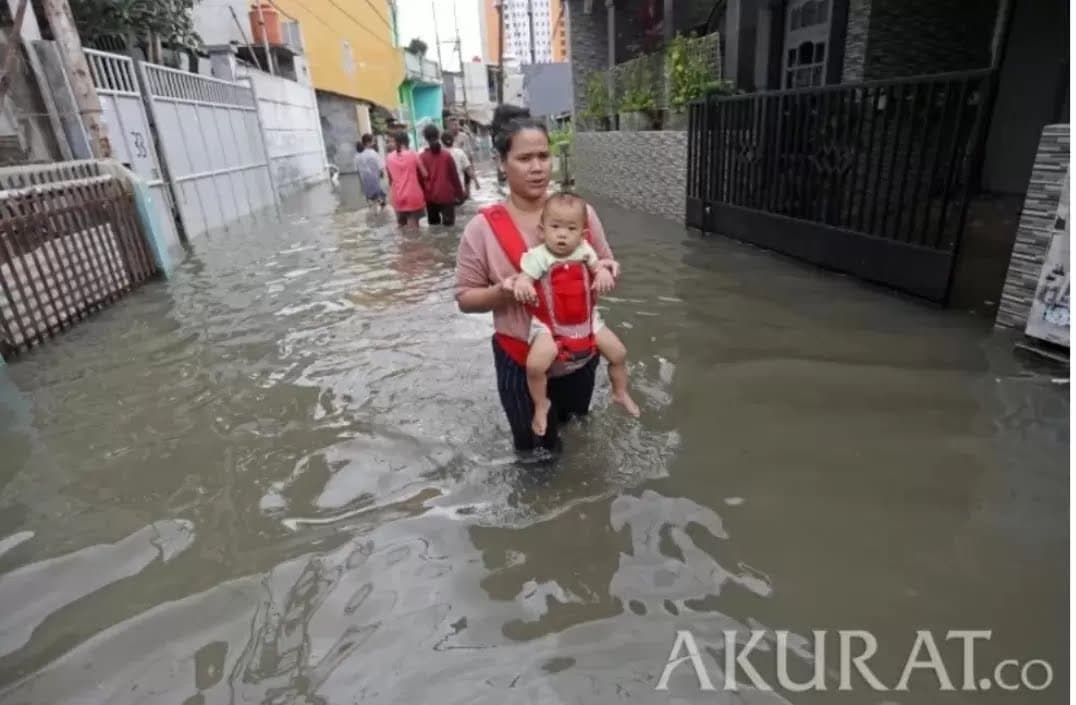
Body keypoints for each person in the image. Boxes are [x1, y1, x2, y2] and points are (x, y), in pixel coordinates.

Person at [455, 104, 623, 454]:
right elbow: (465, 298)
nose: (537, 168)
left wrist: (608, 271)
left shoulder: (580, 214)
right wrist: (503, 292)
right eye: (524, 158)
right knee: (534, 455)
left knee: (577, 437)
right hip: (520, 361)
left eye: (544, 156)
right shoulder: (482, 229)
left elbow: (605, 262)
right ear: (502, 163)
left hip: (578, 358)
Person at [512, 191, 639, 435]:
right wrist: (522, 285)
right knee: (535, 366)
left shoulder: (584, 250)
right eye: (555, 227)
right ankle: (541, 404)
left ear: (583, 234)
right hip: (550, 326)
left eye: (571, 229)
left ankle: (620, 392)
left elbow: (598, 265)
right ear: (542, 231)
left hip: (587, 321)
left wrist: (602, 273)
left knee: (619, 353)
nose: (562, 234)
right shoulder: (539, 256)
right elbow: (525, 278)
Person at [419, 123, 465, 226]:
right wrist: (460, 195)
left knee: (434, 230)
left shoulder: (422, 157)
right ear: (438, 135)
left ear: (425, 138)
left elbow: (420, 180)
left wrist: (423, 197)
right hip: (447, 196)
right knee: (450, 230)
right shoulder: (446, 156)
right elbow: (455, 178)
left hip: (430, 198)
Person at [385, 130, 427, 228]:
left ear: (396, 142)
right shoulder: (413, 154)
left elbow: (390, 179)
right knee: (414, 233)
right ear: (407, 141)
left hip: (397, 197)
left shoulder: (389, 157)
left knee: (401, 227)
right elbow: (425, 174)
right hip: (412, 196)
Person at [442, 130, 477, 203]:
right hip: (459, 191)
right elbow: (469, 170)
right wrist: (476, 182)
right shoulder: (460, 152)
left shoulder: (440, 154)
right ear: (453, 140)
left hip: (445, 193)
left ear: (442, 142)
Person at [354, 134, 386, 210]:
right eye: (372, 141)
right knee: (381, 200)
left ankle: (373, 213)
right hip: (375, 182)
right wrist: (381, 174)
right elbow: (381, 167)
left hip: (365, 183)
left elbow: (357, 171)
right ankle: (381, 214)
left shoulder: (358, 157)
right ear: (368, 143)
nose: (373, 143)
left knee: (371, 202)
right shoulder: (374, 154)